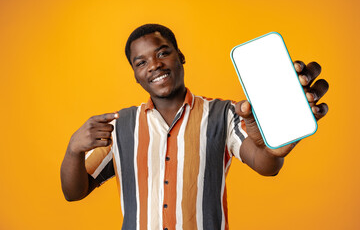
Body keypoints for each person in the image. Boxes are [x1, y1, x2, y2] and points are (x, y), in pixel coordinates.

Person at [60, 24, 329, 230]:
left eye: (163, 52)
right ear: (135, 75)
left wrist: (272, 148)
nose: (154, 65)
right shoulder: (119, 126)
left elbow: (265, 165)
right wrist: (73, 149)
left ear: (181, 56)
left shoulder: (224, 114)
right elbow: (75, 192)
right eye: (141, 62)